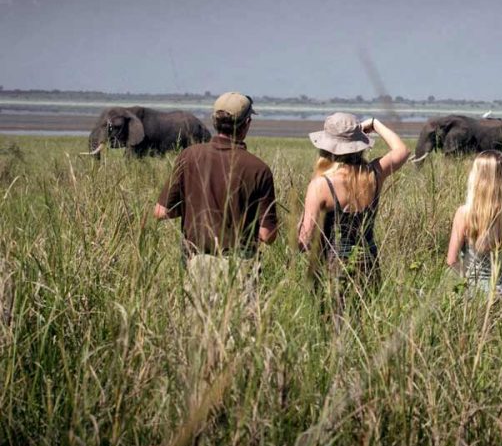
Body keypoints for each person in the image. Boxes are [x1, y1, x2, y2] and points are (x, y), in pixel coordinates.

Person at [155, 91, 278, 313]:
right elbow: (267, 236)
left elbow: (161, 212)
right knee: (239, 329)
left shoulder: (188, 156)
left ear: (214, 121)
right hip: (241, 267)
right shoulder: (259, 169)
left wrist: (194, 206)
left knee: (196, 328)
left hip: (197, 264)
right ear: (246, 124)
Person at [297, 113, 409, 314]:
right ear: (359, 145)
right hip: (369, 262)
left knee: (332, 321)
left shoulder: (321, 185)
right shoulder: (374, 174)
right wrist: (375, 123)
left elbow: (304, 241)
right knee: (365, 318)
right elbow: (402, 150)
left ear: (327, 146)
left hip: (332, 265)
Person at [446, 150, 502, 297]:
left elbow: (451, 260)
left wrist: (467, 281)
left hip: (476, 291)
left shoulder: (464, 213)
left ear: (476, 177)